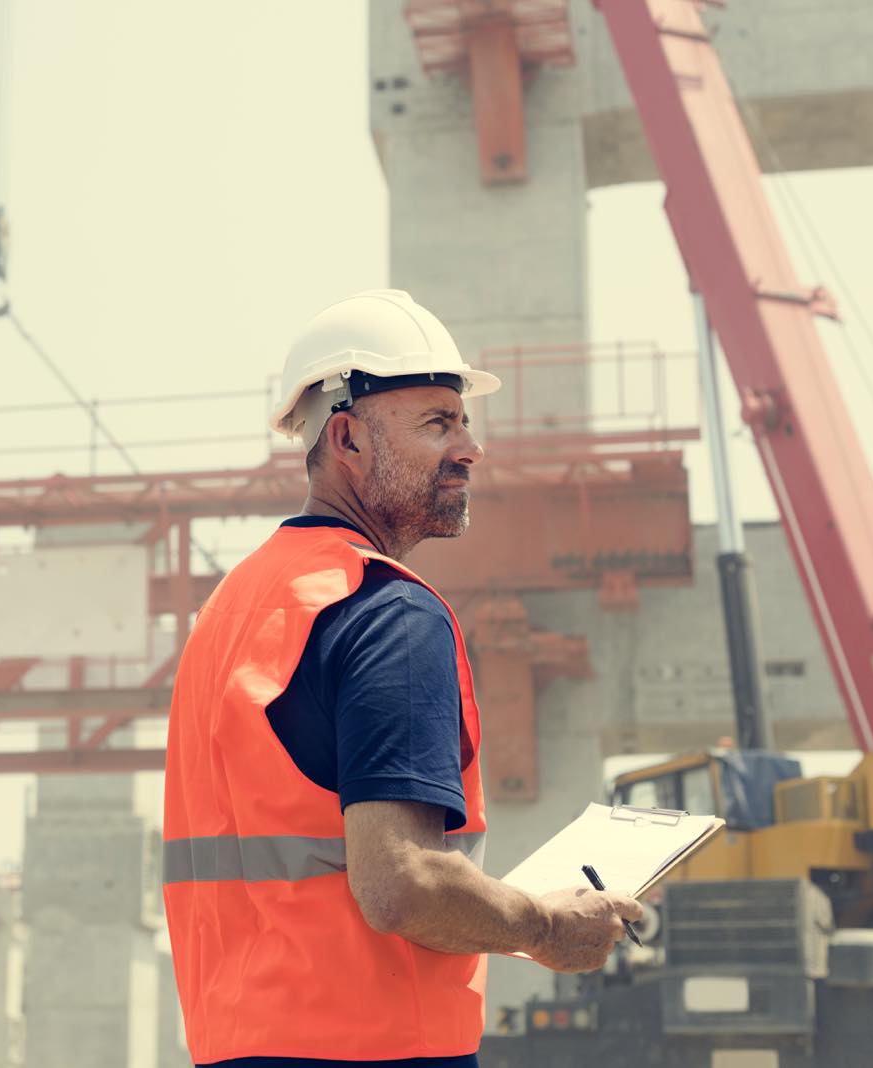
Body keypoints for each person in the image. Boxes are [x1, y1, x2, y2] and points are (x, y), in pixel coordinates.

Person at [162, 290, 642, 1067]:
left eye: (464, 422)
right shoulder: (386, 612)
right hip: (375, 1048)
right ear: (346, 437)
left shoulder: (233, 607)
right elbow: (404, 881)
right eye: (436, 423)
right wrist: (548, 929)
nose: (468, 449)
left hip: (239, 1047)